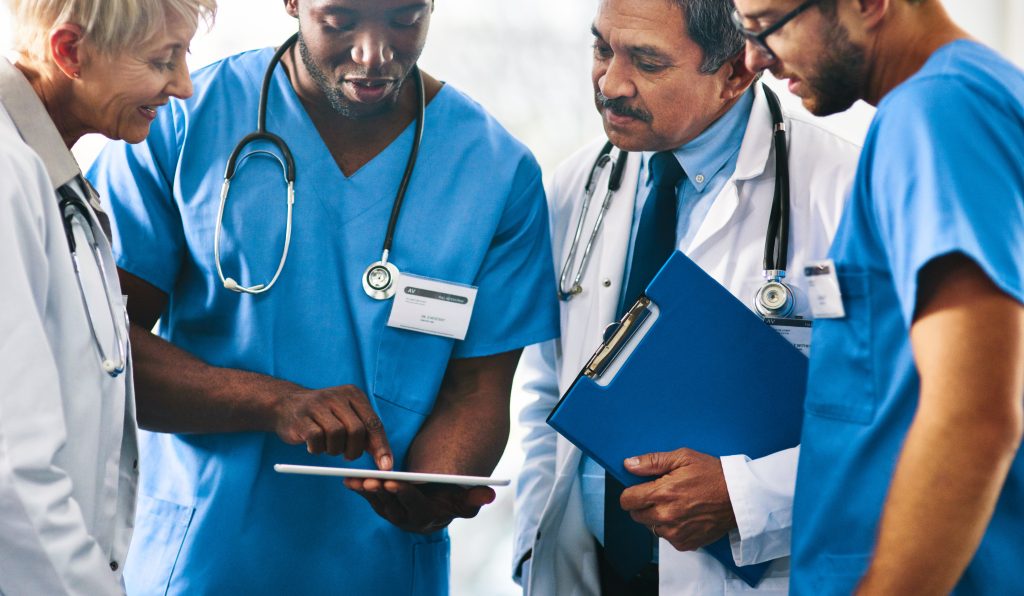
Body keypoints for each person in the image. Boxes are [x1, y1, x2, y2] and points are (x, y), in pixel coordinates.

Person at [85, 0, 559, 593]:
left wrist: (435, 487)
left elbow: (479, 391)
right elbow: (97, 352)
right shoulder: (180, 119)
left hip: (383, 565)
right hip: (203, 557)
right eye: (340, 20)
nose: (374, 53)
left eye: (406, 19)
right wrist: (273, 401)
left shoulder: (495, 170)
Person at [513, 0, 863, 593]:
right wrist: (532, 548)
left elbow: (898, 417)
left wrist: (749, 498)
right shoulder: (574, 188)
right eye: (602, 48)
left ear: (737, 71)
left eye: (646, 62)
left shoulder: (842, 193)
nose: (610, 83)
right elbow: (549, 388)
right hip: (591, 573)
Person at [730, 0, 1024, 593]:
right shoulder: (976, 95)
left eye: (766, 26)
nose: (754, 58)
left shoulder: (940, 113)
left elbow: (976, 415)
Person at [0, 0, 214, 594]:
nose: (184, 86)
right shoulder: (6, 179)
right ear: (70, 51)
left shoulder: (53, 175)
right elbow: (12, 468)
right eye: (162, 61)